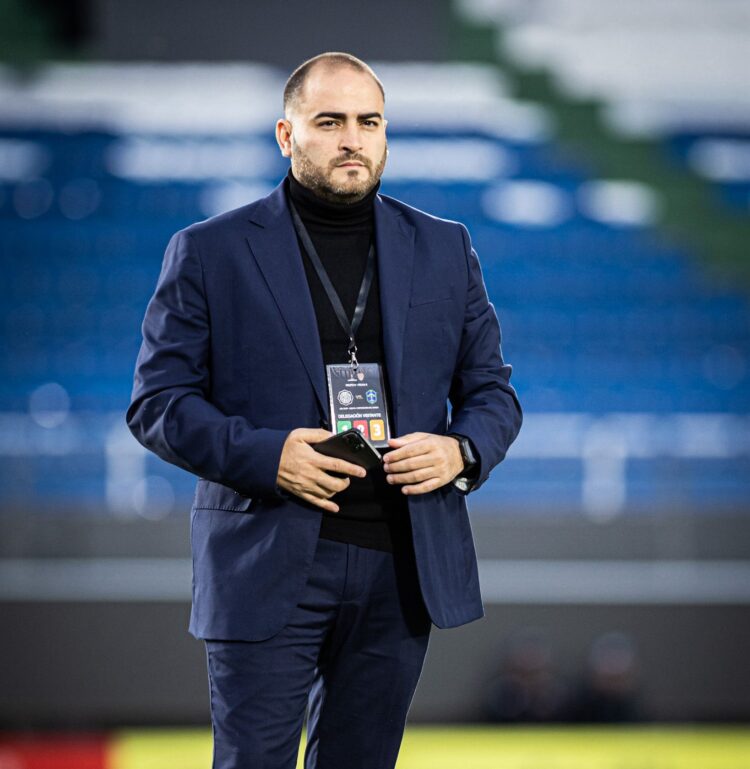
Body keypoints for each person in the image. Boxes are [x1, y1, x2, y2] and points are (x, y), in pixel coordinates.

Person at [127, 52, 522, 769]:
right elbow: (157, 403)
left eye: (369, 122)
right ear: (286, 134)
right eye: (330, 121)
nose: (353, 139)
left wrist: (461, 451)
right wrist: (266, 454)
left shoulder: (444, 246)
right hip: (266, 559)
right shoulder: (209, 251)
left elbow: (493, 393)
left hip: (401, 565)